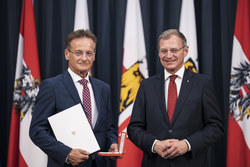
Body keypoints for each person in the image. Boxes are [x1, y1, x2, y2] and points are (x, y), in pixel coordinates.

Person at [127, 29, 224, 167]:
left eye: (174, 50)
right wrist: (155, 145)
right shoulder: (146, 85)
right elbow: (134, 128)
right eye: (163, 51)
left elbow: (216, 127)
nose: (168, 55)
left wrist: (187, 144)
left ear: (185, 51)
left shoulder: (202, 84)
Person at [30, 29, 118, 167]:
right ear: (67, 54)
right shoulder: (52, 86)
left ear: (94, 56)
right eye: (78, 52)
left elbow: (109, 127)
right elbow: (37, 131)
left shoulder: (103, 89)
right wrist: (67, 154)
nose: (84, 58)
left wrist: (112, 143)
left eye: (89, 53)